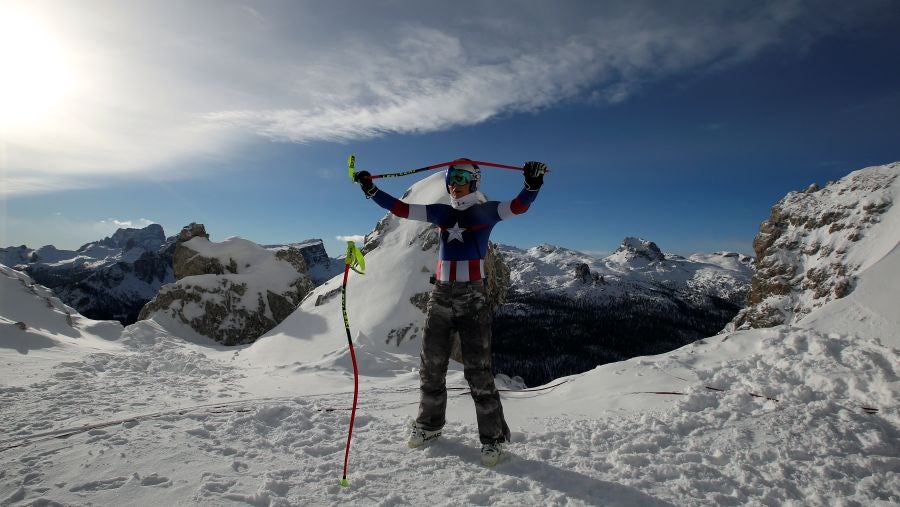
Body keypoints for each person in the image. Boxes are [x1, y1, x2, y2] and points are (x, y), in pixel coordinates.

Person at [354, 158, 547, 466]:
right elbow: (402, 210)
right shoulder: (442, 212)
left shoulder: (485, 211)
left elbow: (518, 206)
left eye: (460, 177)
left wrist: (531, 185)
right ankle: (429, 426)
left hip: (473, 298)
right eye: (450, 177)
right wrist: (370, 189)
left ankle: (493, 439)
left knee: (478, 372)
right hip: (441, 295)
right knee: (430, 366)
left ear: (474, 181)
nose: (453, 183)